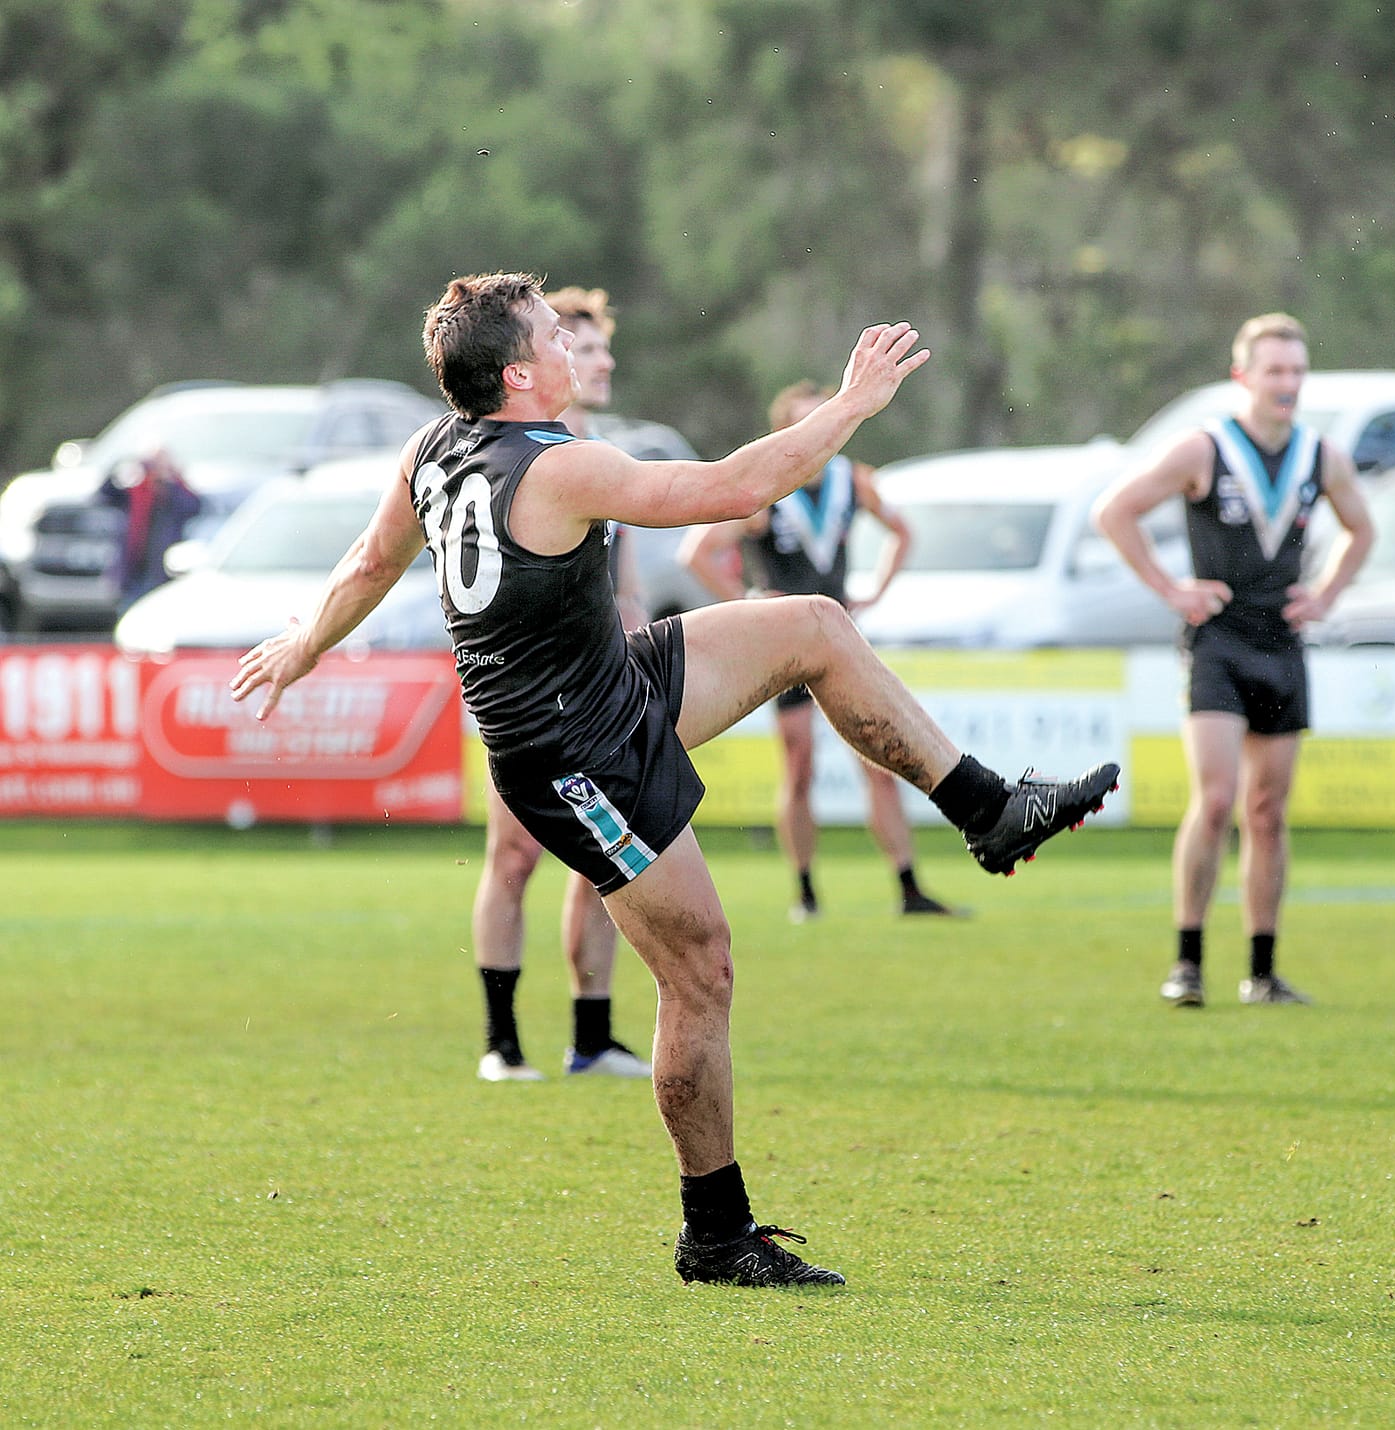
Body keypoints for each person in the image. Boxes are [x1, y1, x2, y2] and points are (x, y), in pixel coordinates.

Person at [231, 272, 1119, 1288]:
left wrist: (303, 644)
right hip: (572, 754)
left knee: (814, 625)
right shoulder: (559, 467)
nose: (573, 345)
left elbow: (365, 561)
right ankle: (715, 1232)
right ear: (518, 373)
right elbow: (737, 489)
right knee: (701, 970)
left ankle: (988, 809)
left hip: (608, 685)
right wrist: (851, 406)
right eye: (553, 335)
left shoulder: (431, 450)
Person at [1091, 312, 1373, 1009]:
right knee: (1215, 801)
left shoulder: (1320, 456)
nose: (1288, 384)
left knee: (1268, 812)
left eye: (1297, 372)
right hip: (1217, 642)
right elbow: (1114, 512)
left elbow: (1362, 529)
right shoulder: (1204, 450)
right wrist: (1170, 589)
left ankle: (1263, 971)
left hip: (1282, 644)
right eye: (1275, 371)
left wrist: (1327, 593)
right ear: (1242, 376)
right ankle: (1187, 961)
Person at [679, 380, 959, 923]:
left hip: (842, 640)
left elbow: (903, 532)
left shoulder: (850, 480)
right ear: (787, 433)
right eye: (805, 423)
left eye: (823, 419)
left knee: (881, 758)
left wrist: (874, 591)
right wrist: (749, 603)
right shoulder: (767, 491)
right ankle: (805, 892)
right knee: (801, 764)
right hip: (787, 649)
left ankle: (908, 887)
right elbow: (699, 553)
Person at [470, 285, 650, 1084]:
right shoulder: (517, 452)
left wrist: (638, 660)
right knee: (512, 858)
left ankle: (592, 1037)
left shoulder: (600, 455)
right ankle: (502, 1045)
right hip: (525, 695)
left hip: (598, 689)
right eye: (584, 343)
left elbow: (627, 584)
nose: (601, 358)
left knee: (602, 859)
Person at [98, 450, 201, 613]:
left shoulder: (174, 491)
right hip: (134, 571)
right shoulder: (134, 489)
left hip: (163, 571)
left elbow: (193, 506)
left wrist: (172, 479)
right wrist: (122, 469)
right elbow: (104, 494)